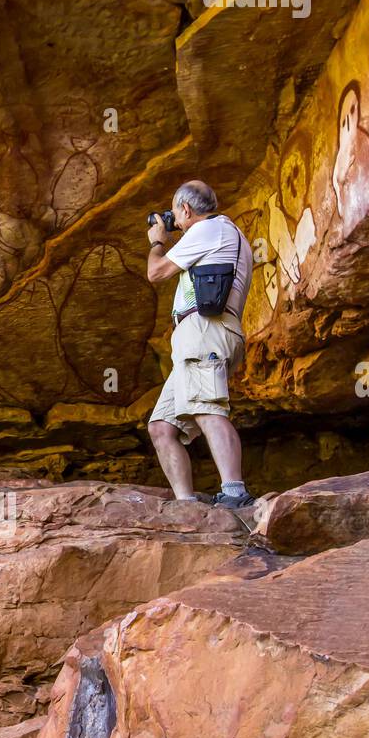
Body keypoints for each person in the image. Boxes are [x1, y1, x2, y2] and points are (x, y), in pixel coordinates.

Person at [146, 180, 255, 507]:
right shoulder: (227, 234)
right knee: (162, 427)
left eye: (177, 215)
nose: (176, 222)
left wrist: (157, 241)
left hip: (206, 331)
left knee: (208, 410)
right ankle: (187, 505)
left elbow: (156, 273)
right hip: (202, 335)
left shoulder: (207, 230)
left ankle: (235, 492)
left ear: (186, 209)